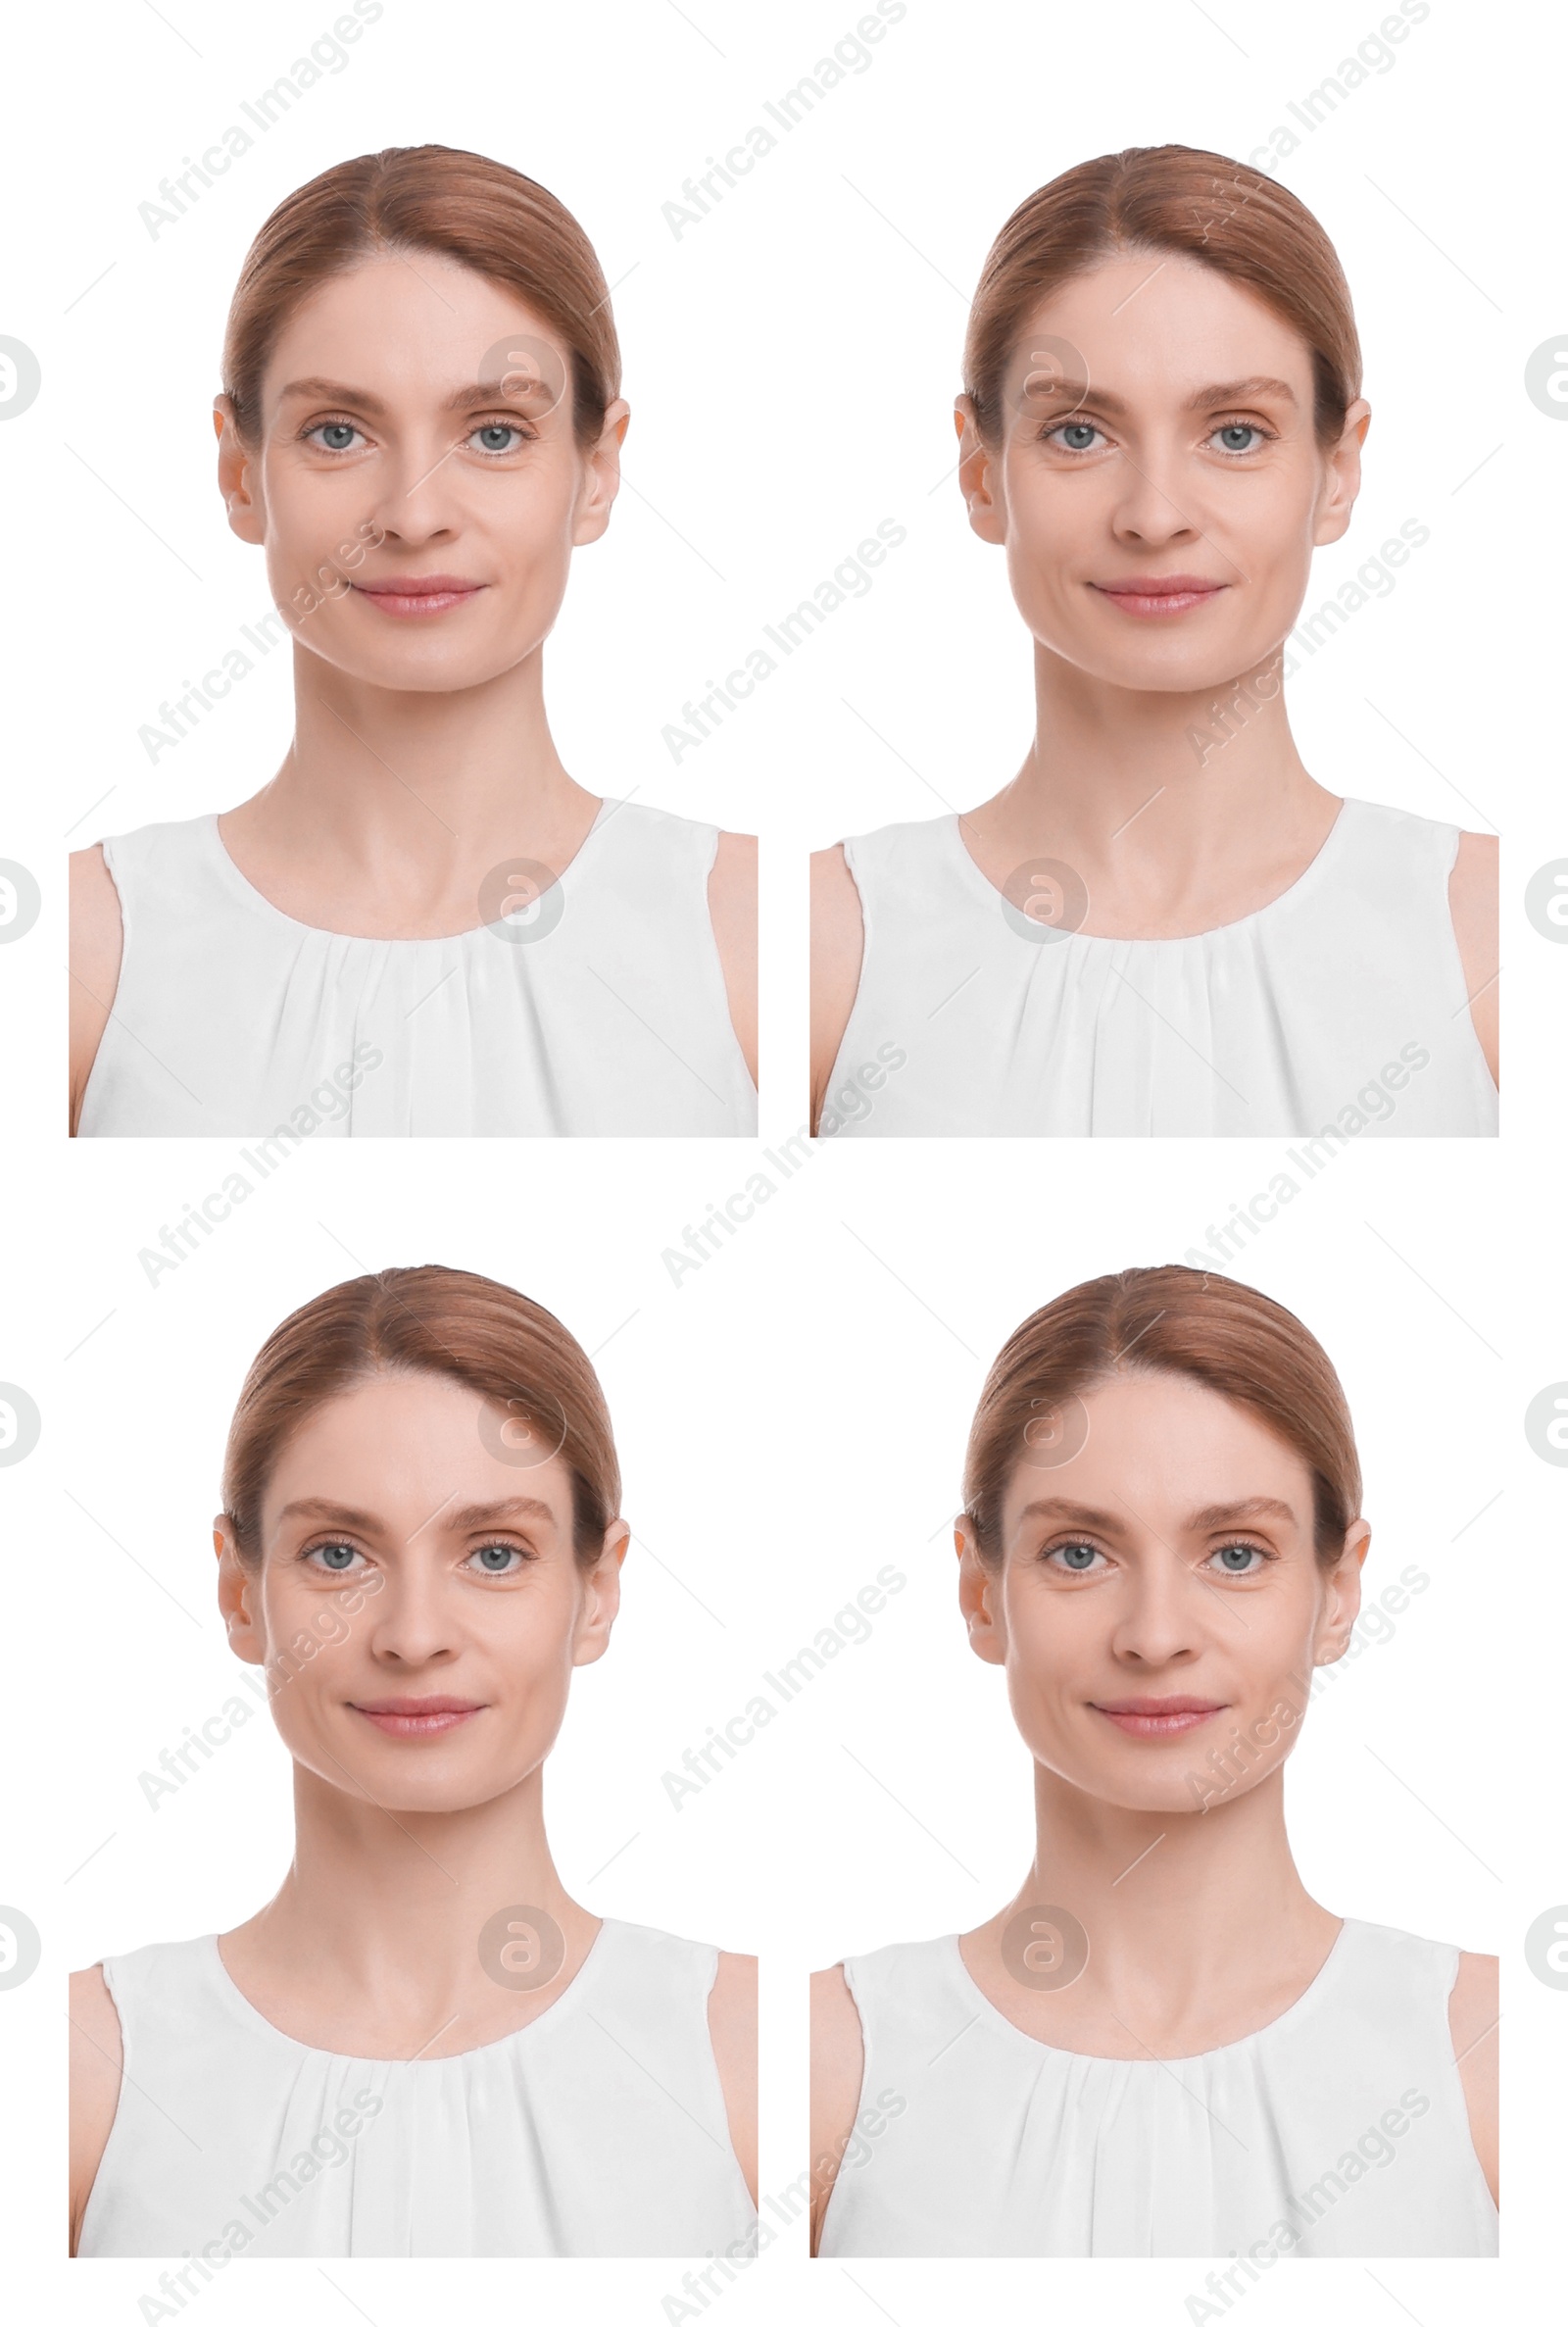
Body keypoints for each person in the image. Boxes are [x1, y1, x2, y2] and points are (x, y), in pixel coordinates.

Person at [70, 1266, 758, 2258]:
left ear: (596, 1591)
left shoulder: (757, 2055)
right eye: (340, 1553)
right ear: (239, 1591)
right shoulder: (79, 2072)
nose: (414, 1635)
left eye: (494, 1553)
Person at [810, 1264, 1497, 2257]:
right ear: (979, 1591)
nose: (1155, 1634)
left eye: (1235, 1553)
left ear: (1338, 1591)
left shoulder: (1494, 2055)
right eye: (1080, 1553)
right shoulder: (825, 2063)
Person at [71, 146, 757, 1138]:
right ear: (239, 471)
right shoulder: (85, 951)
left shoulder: (757, 933)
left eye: (493, 433)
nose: (414, 514)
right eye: (339, 432)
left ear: (596, 471)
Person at [810, 146, 1496, 1138]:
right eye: (1080, 433)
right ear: (980, 471)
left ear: (1337, 471)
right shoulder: (824, 942)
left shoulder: (1489, 935)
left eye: (1235, 433)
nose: (1155, 514)